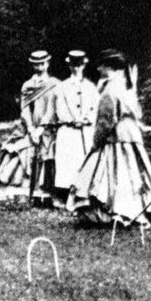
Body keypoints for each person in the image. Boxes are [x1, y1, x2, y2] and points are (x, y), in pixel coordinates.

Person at [66, 49, 151, 226]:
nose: (99, 69)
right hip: (131, 139)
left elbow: (106, 122)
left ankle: (116, 213)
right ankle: (136, 211)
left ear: (110, 68)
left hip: (116, 140)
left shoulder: (111, 90)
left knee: (114, 176)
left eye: (102, 66)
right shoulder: (123, 86)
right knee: (132, 176)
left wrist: (96, 143)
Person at [51, 50, 99, 204]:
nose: (76, 68)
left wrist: (85, 120)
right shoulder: (62, 87)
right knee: (68, 161)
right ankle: (65, 195)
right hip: (69, 129)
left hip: (85, 129)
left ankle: (82, 194)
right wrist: (72, 120)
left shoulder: (91, 87)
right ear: (69, 66)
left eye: (79, 65)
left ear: (84, 66)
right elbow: (59, 108)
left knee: (83, 160)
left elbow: (95, 108)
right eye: (73, 65)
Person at [20, 50, 60, 207]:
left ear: (48, 64)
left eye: (42, 63)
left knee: (48, 159)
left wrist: (41, 128)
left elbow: (53, 108)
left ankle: (49, 195)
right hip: (32, 126)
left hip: (49, 127)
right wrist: (30, 128)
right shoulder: (27, 85)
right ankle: (34, 195)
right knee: (32, 159)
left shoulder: (55, 84)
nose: (39, 67)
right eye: (36, 64)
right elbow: (24, 108)